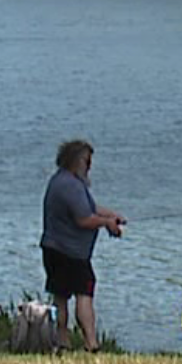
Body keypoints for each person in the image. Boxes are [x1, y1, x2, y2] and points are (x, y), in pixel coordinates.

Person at [40, 139, 124, 352]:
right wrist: (107, 224)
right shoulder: (70, 185)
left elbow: (91, 207)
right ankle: (91, 344)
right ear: (76, 161)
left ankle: (63, 342)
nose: (90, 166)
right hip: (70, 254)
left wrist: (112, 215)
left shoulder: (61, 181)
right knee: (84, 294)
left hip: (54, 249)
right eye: (87, 161)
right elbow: (84, 219)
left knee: (60, 295)